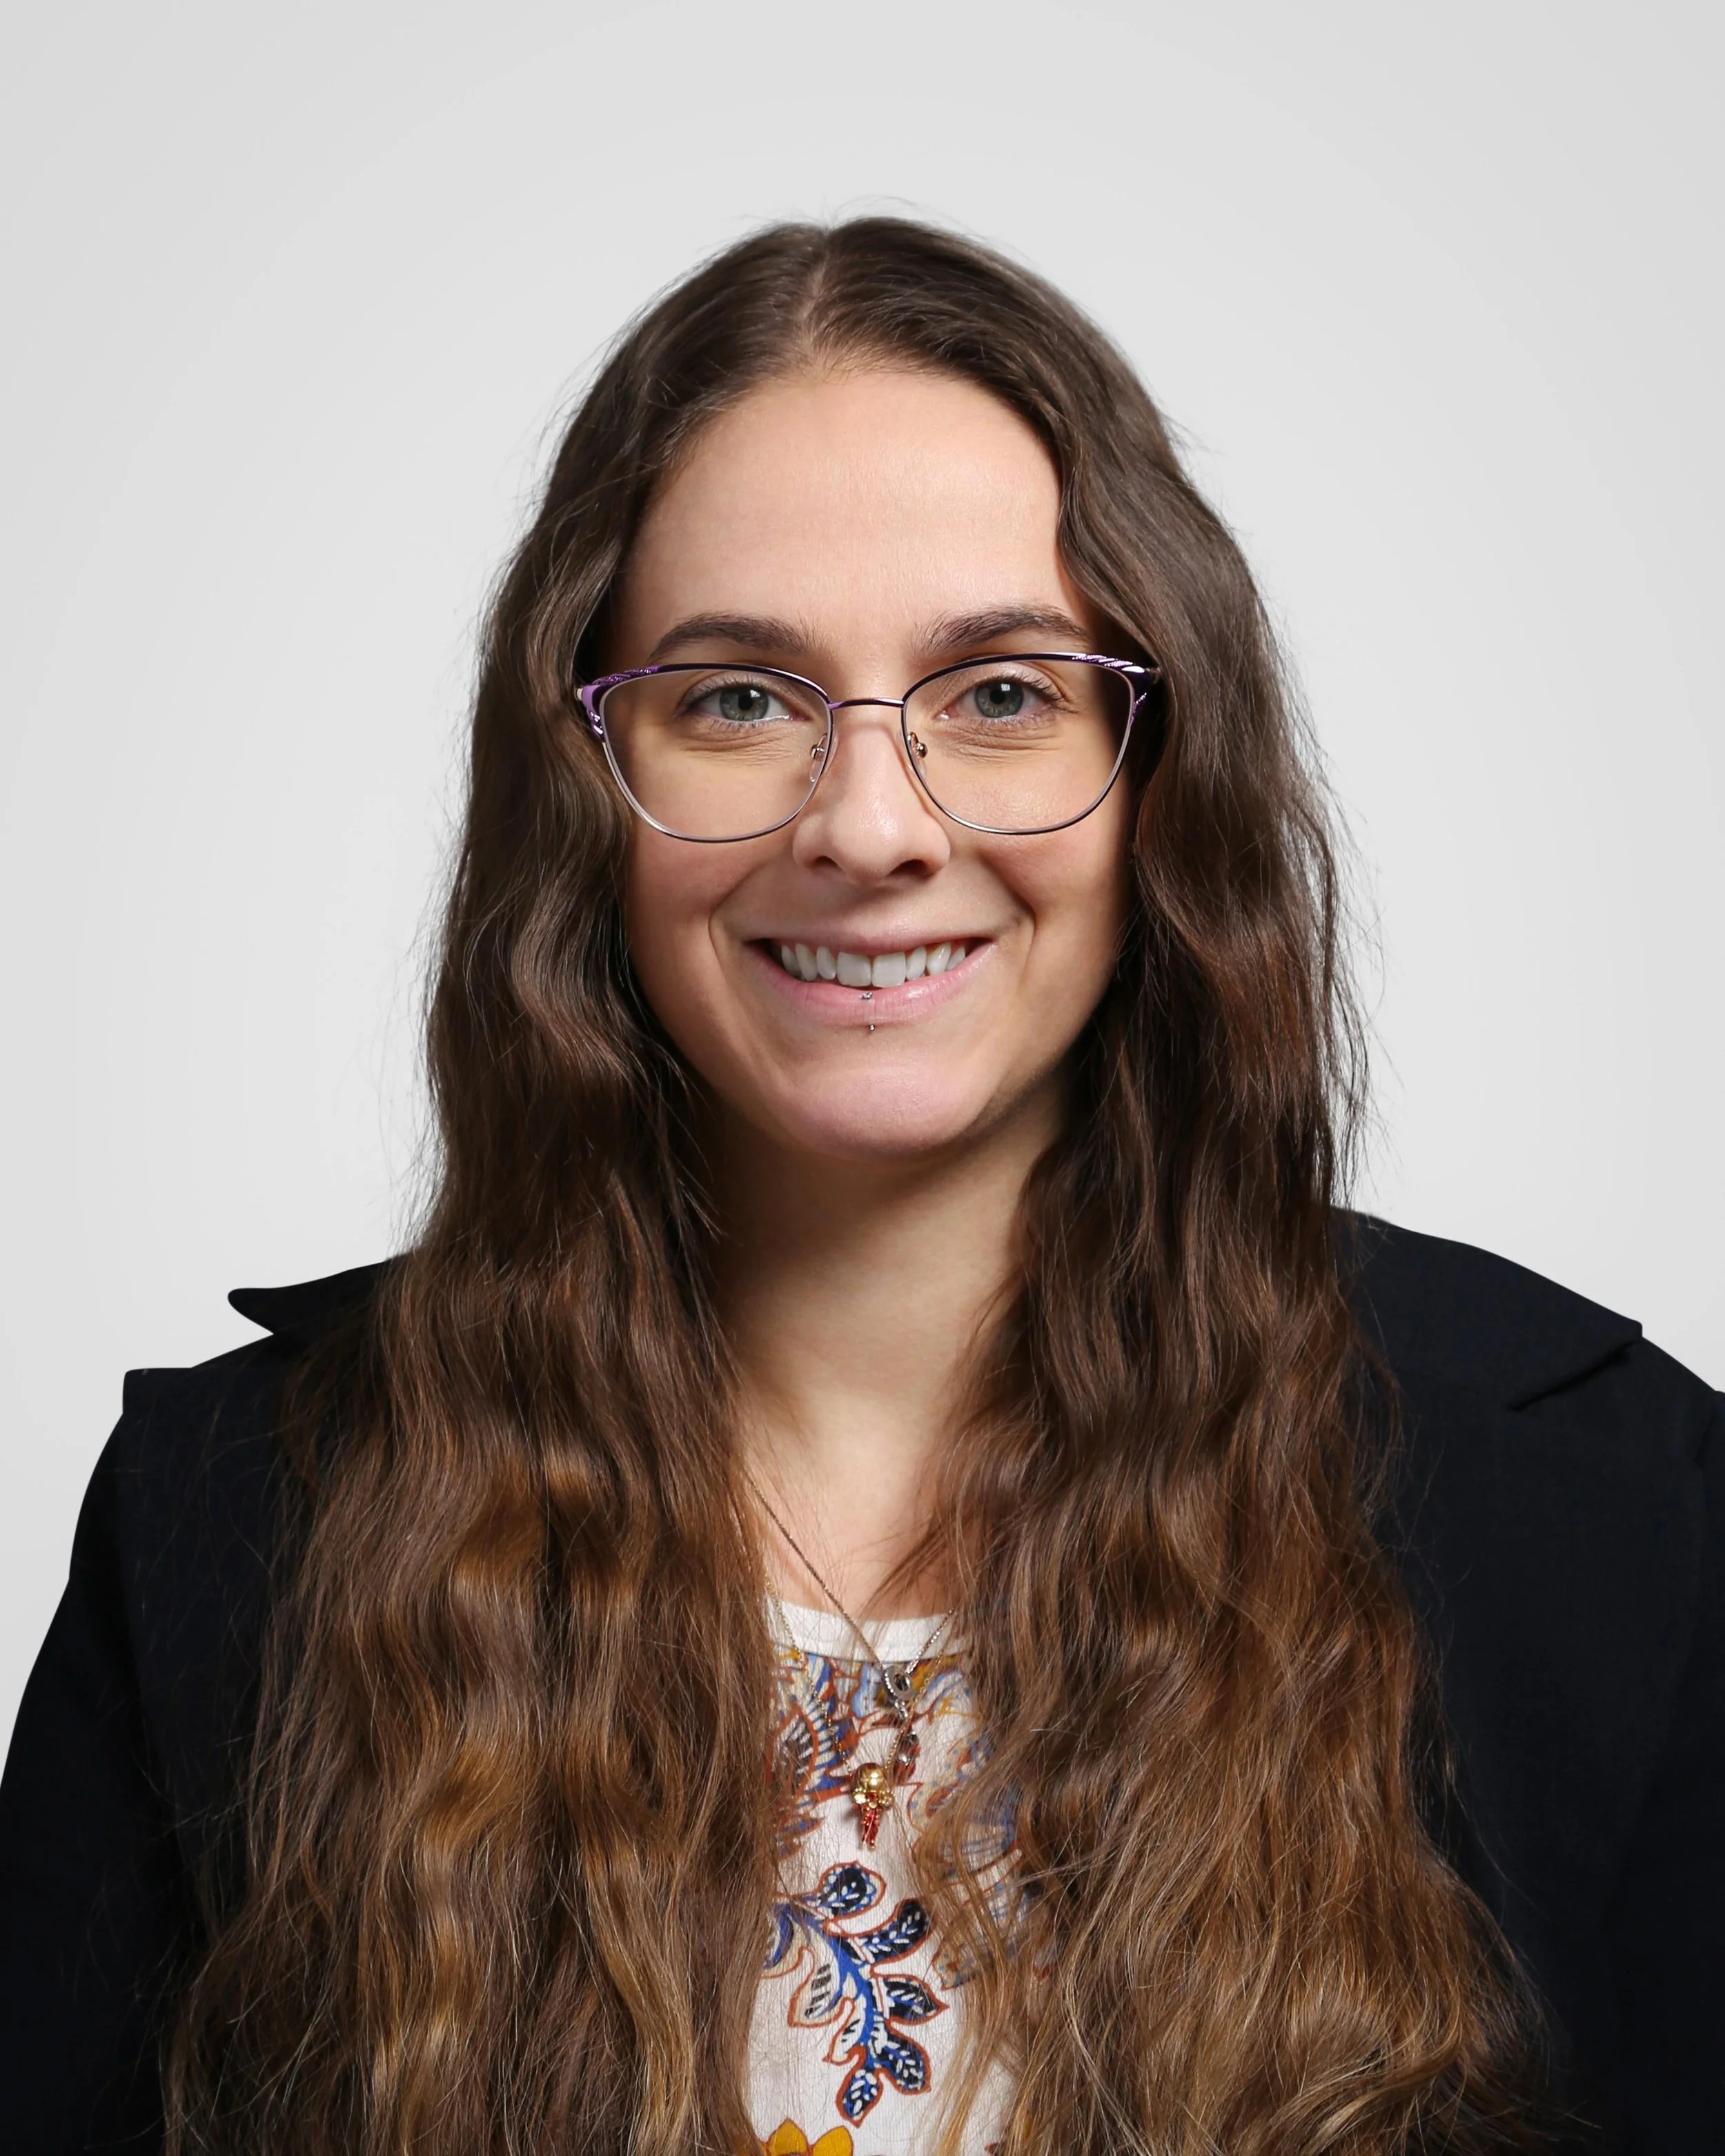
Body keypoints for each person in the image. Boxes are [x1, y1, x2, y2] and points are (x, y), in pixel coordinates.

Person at [1, 218, 1717, 2156]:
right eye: (738, 700)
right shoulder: (224, 1532)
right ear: (585, 781)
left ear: (1161, 766)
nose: (871, 825)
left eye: (1000, 693)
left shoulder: (1613, 1521)